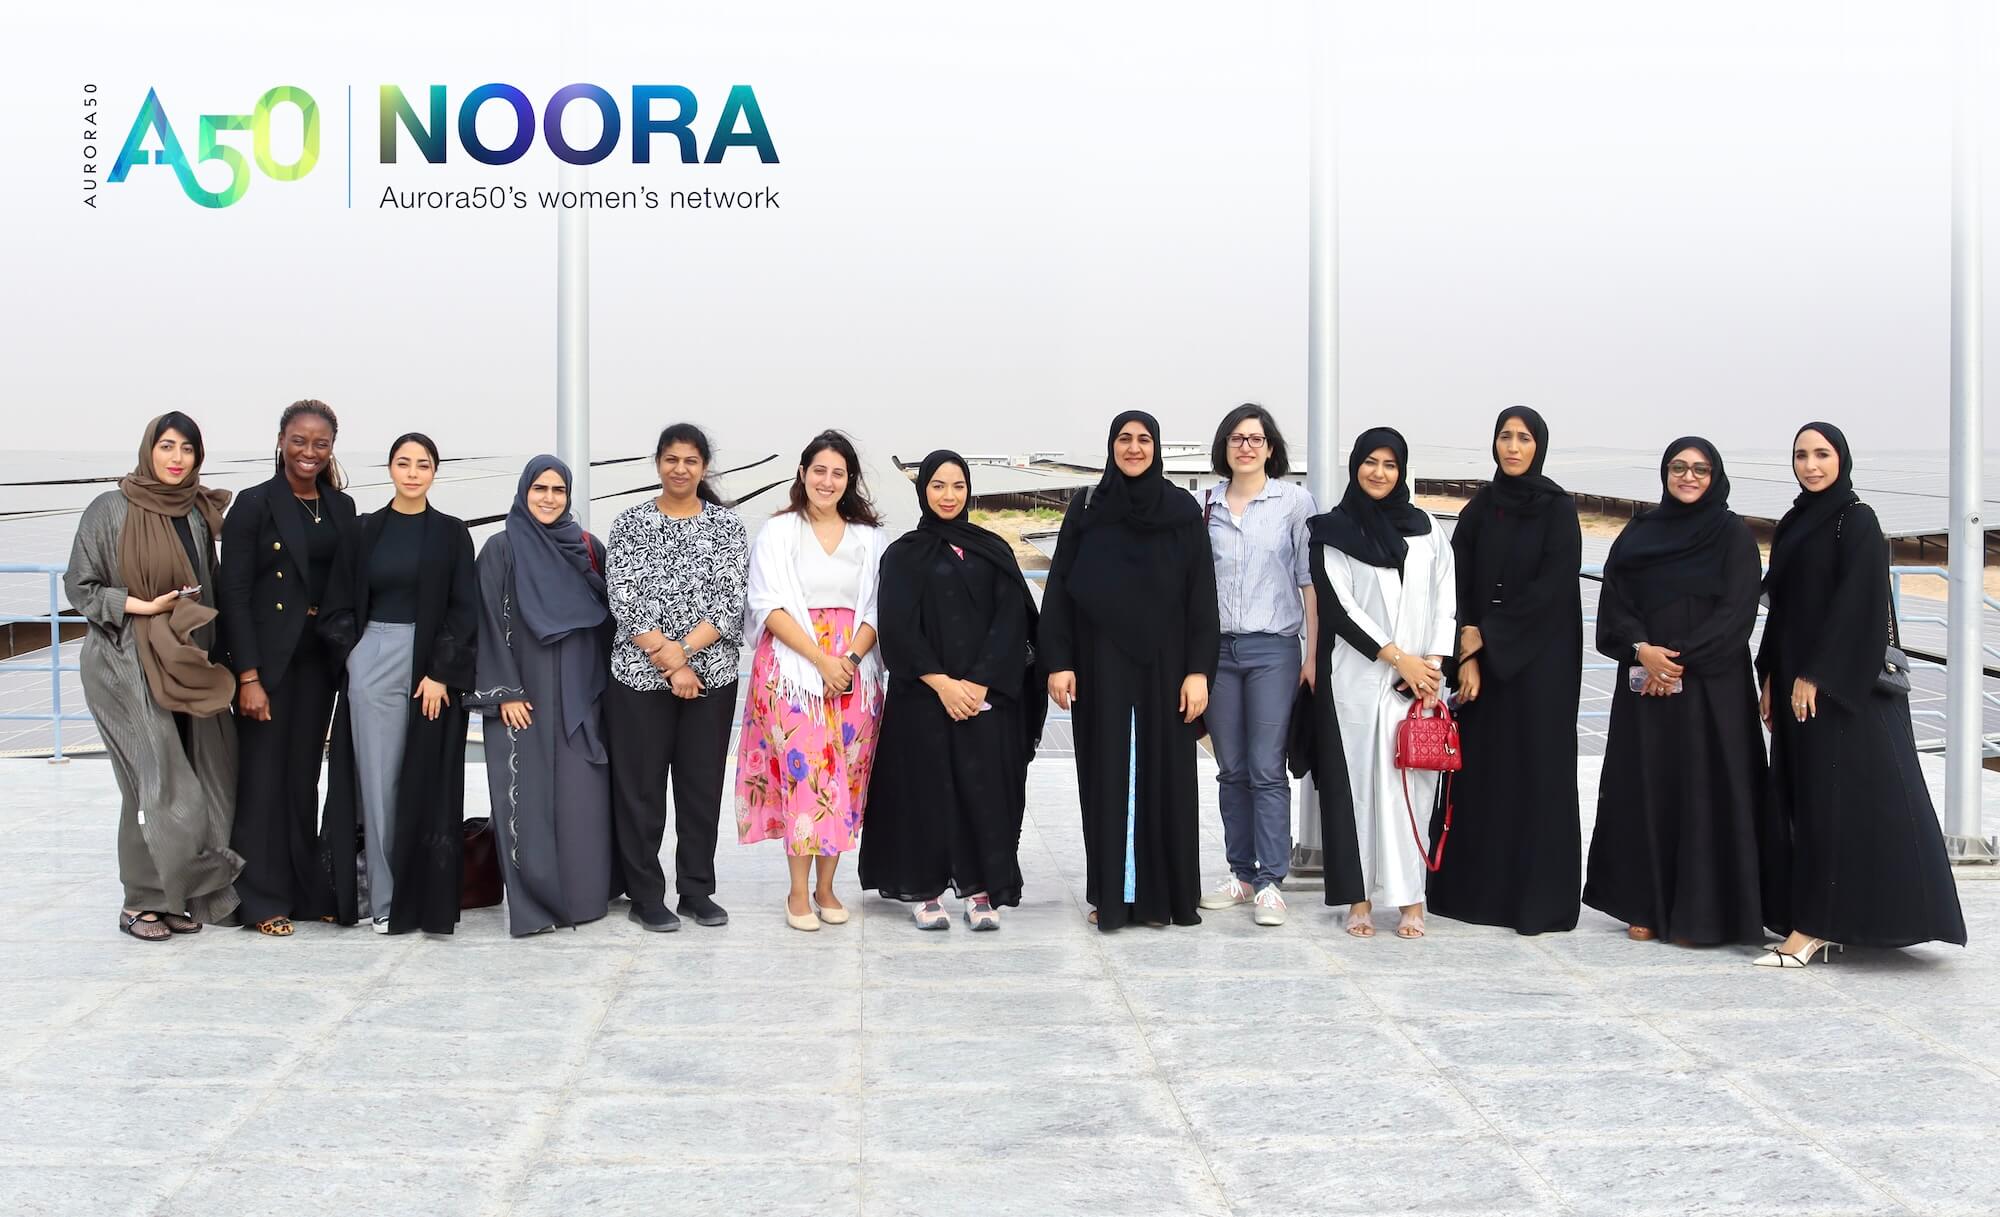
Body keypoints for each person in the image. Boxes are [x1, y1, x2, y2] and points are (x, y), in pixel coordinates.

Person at [1754, 422, 1967, 966]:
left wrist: (1816, 675)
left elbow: (1861, 605)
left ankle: (1812, 930)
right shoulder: (1795, 521)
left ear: (1842, 459)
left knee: (1836, 807)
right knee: (1803, 802)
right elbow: (1781, 608)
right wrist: (1772, 676)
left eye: (1822, 454)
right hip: (1797, 685)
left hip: (1839, 692)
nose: (1810, 465)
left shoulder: (1858, 520)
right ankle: (1814, 916)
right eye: (1800, 455)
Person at [1585, 439, 1775, 946]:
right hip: (1646, 686)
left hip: (1711, 690)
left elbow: (1738, 612)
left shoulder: (1732, 534)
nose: (1688, 477)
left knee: (1705, 792)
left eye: (1700, 469)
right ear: (1664, 472)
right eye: (1678, 467)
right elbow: (1615, 600)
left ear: (1715, 476)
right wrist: (1643, 649)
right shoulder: (1641, 530)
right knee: (1647, 788)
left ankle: (1704, 913)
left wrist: (1678, 660)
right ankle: (1642, 904)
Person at [66, 413, 242, 941]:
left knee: (202, 772)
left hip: (184, 663)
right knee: (152, 780)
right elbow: (81, 587)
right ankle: (139, 901)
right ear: (149, 449)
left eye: (187, 450)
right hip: (122, 665)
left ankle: (176, 894)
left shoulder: (192, 515)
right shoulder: (109, 509)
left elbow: (207, 589)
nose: (176, 458)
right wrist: (139, 605)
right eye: (167, 446)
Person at [1042, 410, 1219, 931]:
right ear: (1111, 446)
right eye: (1125, 439)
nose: (1135, 448)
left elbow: (1200, 596)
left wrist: (1198, 672)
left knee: (1166, 774)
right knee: (1106, 775)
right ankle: (1112, 897)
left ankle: (1163, 896)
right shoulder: (1088, 507)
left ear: (1157, 446)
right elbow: (1060, 589)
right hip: (1101, 664)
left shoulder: (1182, 510)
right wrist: (1060, 662)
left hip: (1167, 666)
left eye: (1144, 439)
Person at [861, 450, 1045, 930]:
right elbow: (898, 627)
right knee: (925, 792)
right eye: (938, 486)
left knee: (984, 791)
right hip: (924, 696)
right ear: (923, 491)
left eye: (957, 486)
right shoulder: (904, 554)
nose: (948, 495)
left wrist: (978, 681)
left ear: (969, 490)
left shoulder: (992, 548)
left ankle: (979, 888)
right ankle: (925, 889)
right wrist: (942, 684)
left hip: (986, 698)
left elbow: (1013, 620)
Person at [1428, 407, 1584, 936]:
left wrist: (1486, 637)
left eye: (1523, 438)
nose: (1512, 447)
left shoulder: (1557, 509)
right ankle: (1474, 894)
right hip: (1485, 670)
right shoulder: (1478, 509)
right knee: (1483, 773)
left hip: (1541, 667)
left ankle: (1535, 902)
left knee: (1536, 775)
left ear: (1539, 445)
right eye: (1504, 437)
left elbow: (1552, 588)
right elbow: (1458, 584)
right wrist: (1467, 654)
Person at [318, 433, 479, 934]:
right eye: (403, 463)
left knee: (428, 783)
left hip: (431, 665)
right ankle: (386, 902)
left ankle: (425, 898)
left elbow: (463, 609)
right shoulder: (364, 531)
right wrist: (357, 657)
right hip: (374, 658)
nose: (412, 472)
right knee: (380, 785)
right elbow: (336, 605)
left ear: (435, 472)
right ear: (390, 468)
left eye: (423, 464)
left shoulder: (452, 534)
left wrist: (440, 673)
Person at [735, 431, 887, 932]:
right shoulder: (779, 532)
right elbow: (767, 605)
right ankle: (798, 891)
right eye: (818, 470)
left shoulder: (869, 537)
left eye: (838, 472)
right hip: (793, 668)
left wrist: (848, 658)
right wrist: (820, 660)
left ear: (849, 480)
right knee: (807, 775)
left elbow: (877, 608)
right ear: (802, 474)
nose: (827, 481)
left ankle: (827, 887)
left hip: (854, 670)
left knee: (845, 774)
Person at [1310, 428, 1455, 940]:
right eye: (1369, 462)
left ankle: (1412, 900)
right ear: (1355, 467)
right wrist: (1398, 660)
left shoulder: (1428, 529)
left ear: (1402, 471)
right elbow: (1339, 608)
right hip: (1356, 679)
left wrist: (1431, 666)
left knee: (1413, 790)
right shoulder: (1332, 530)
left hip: (1419, 688)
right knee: (1357, 792)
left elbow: (1445, 596)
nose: (1379, 472)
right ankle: (1361, 898)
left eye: (1390, 465)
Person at [605, 424, 749, 932]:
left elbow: (730, 603)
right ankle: (646, 894)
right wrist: (671, 662)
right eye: (671, 459)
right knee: (640, 790)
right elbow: (623, 595)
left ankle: (695, 890)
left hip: (710, 680)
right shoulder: (631, 524)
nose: (680, 469)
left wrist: (685, 655)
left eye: (691, 460)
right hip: (639, 680)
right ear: (658, 463)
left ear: (704, 467)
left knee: (700, 788)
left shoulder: (727, 528)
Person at [220, 399, 355, 937]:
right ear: (280, 440)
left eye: (320, 443)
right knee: (261, 781)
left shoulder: (340, 508)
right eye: (300, 440)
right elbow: (234, 595)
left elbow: (346, 581)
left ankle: (303, 891)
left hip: (318, 663)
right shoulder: (253, 505)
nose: (309, 452)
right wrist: (246, 676)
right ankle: (258, 899)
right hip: (267, 665)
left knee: (303, 778)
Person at [470, 456, 616, 936]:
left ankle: (585, 899)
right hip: (524, 695)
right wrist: (505, 691)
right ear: (523, 492)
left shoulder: (587, 547)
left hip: (582, 692)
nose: (549, 498)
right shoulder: (501, 549)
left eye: (558, 490)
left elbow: (613, 621)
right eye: (540, 489)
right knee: (526, 801)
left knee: (583, 799)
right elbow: (487, 622)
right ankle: (535, 905)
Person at [1195, 404, 1316, 928]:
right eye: (1237, 439)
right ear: (1225, 446)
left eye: (1256, 439)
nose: (1246, 447)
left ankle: (1271, 880)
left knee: (1267, 768)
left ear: (1271, 448)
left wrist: (1312, 654)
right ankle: (1240, 873)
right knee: (1231, 769)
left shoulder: (1293, 502)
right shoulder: (1205, 505)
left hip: (1273, 649)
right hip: (1217, 652)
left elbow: (1309, 579)